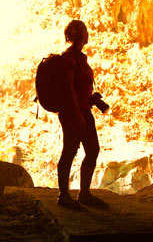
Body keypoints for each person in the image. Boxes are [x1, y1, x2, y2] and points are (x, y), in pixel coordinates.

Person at [57, 19, 106, 209]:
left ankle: (83, 194)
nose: (87, 34)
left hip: (82, 112)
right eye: (85, 31)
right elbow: (69, 90)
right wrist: (77, 114)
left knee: (92, 149)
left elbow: (77, 89)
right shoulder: (69, 59)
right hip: (73, 114)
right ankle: (64, 195)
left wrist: (92, 99)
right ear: (81, 35)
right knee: (69, 151)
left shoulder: (80, 58)